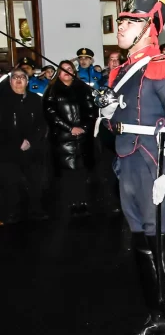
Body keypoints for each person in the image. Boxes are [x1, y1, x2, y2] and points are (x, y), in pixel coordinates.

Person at [99, 0, 165, 335]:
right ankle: (154, 313)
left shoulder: (161, 66)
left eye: (130, 21)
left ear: (149, 27)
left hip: (154, 162)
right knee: (140, 240)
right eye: (120, 20)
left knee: (163, 239)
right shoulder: (122, 71)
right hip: (128, 162)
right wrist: (107, 112)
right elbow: (116, 121)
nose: (121, 26)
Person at [44, 60, 97, 217]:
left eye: (69, 69)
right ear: (58, 73)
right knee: (68, 173)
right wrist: (69, 128)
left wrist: (84, 128)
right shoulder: (52, 90)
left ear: (74, 71)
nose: (66, 72)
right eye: (63, 70)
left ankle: (84, 202)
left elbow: (91, 110)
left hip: (83, 137)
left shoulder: (83, 89)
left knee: (82, 171)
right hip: (63, 138)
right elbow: (51, 113)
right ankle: (72, 203)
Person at [0, 69, 47, 223]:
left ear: (27, 81)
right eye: (15, 77)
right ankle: (12, 212)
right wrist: (17, 143)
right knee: (10, 182)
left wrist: (31, 141)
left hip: (32, 149)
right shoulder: (2, 101)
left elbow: (42, 124)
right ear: (10, 81)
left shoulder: (35, 100)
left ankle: (36, 210)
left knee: (35, 181)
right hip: (8, 150)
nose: (18, 80)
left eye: (22, 77)